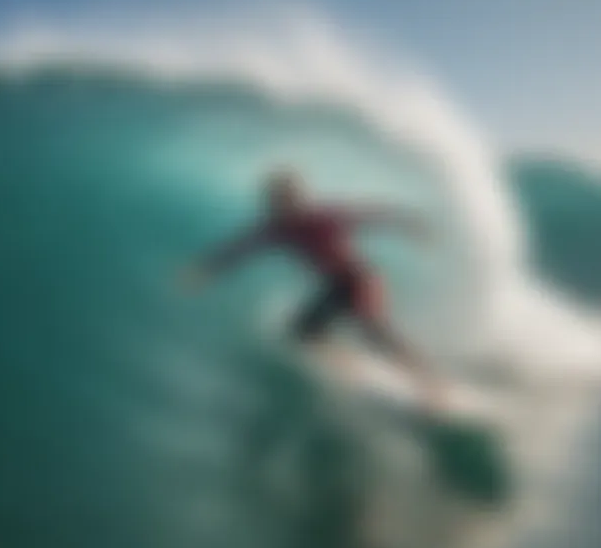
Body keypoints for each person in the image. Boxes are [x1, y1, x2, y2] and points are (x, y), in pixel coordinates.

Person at [180, 170, 443, 407]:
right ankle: (346, 362)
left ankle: (429, 384)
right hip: (335, 284)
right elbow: (242, 248)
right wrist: (206, 271)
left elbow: (373, 215)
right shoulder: (277, 228)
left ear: (296, 199)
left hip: (359, 279)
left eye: (283, 200)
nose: (277, 207)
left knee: (374, 331)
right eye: (273, 201)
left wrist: (411, 224)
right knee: (301, 332)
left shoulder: (321, 217)